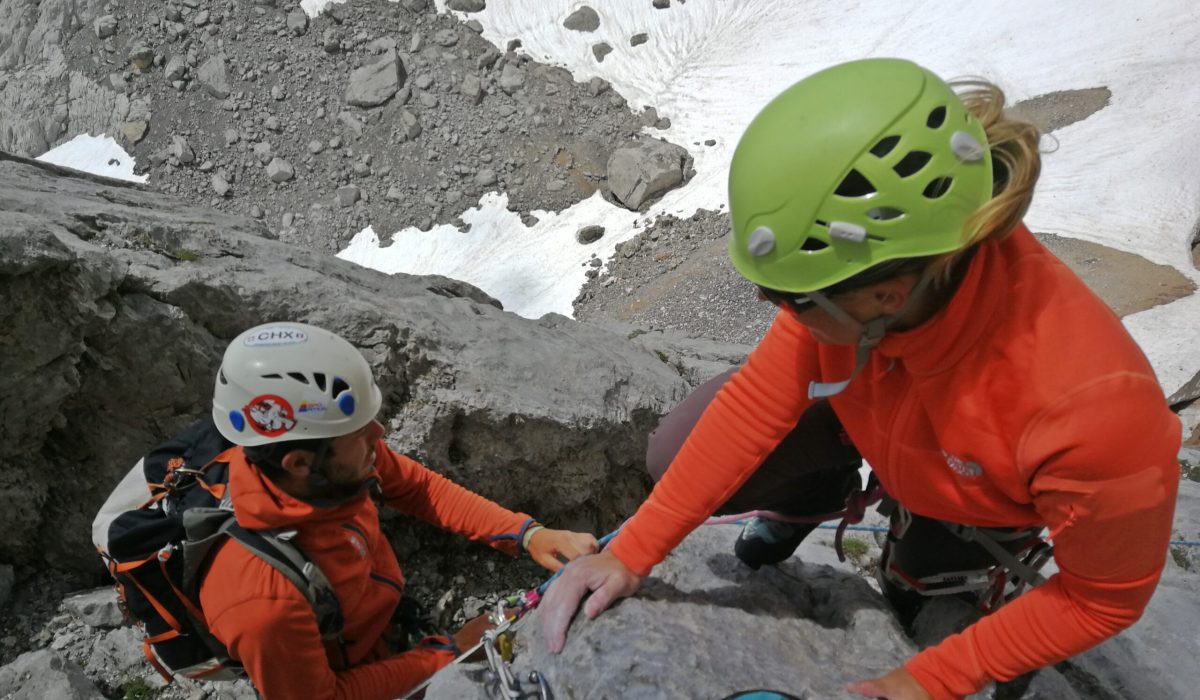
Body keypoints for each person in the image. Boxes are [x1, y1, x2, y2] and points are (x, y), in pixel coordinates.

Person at [539, 58, 1181, 700]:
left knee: (916, 598)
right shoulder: (877, 271)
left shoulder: (1090, 412)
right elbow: (758, 402)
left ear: (886, 298)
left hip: (979, 496)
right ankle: (816, 496)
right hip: (876, 421)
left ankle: (955, 561)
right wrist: (631, 552)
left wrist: (925, 679)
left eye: (788, 299)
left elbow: (1101, 601)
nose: (774, 309)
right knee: (674, 447)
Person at [200, 321, 598, 699]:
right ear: (300, 464)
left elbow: (418, 487)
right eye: (360, 433)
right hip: (351, 670)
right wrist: (449, 653)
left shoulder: (330, 465)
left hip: (377, 622)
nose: (380, 434)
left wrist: (527, 534)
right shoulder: (262, 606)